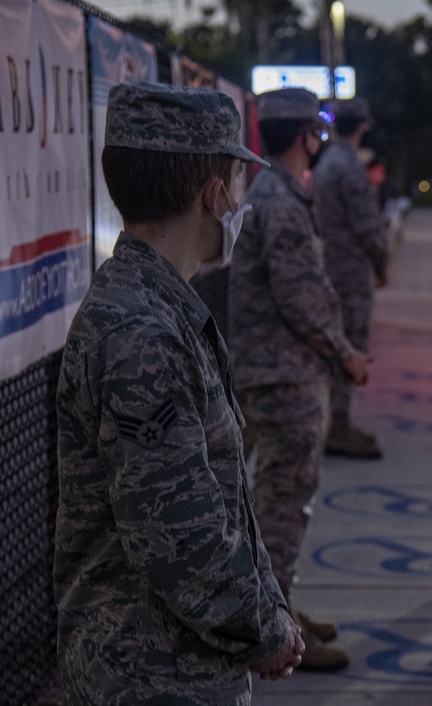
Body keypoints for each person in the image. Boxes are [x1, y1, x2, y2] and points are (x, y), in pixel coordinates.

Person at [54, 82, 304, 705]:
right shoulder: (144, 334)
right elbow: (182, 536)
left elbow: (216, 500)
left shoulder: (152, 307)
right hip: (151, 675)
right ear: (214, 195)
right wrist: (263, 629)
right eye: (235, 184)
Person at [228, 88, 370, 671]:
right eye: (317, 129)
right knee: (284, 498)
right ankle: (272, 625)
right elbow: (301, 296)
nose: (321, 140)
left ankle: (275, 608)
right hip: (282, 375)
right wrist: (344, 354)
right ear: (306, 135)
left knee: (274, 496)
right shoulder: (281, 202)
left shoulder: (276, 194)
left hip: (273, 369)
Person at [312, 97, 389, 459]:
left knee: (335, 343)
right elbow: (367, 225)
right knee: (352, 345)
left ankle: (333, 421)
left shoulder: (326, 163)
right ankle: (339, 425)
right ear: (362, 126)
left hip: (328, 265)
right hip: (351, 269)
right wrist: (381, 262)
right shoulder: (350, 167)